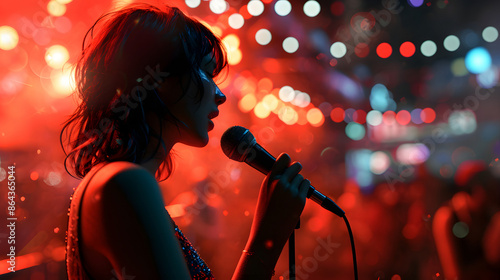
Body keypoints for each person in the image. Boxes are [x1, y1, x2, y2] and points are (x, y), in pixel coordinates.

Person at [61, 3, 310, 279]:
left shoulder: (116, 181)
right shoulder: (126, 183)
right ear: (157, 78)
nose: (220, 94)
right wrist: (268, 237)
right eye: (205, 71)